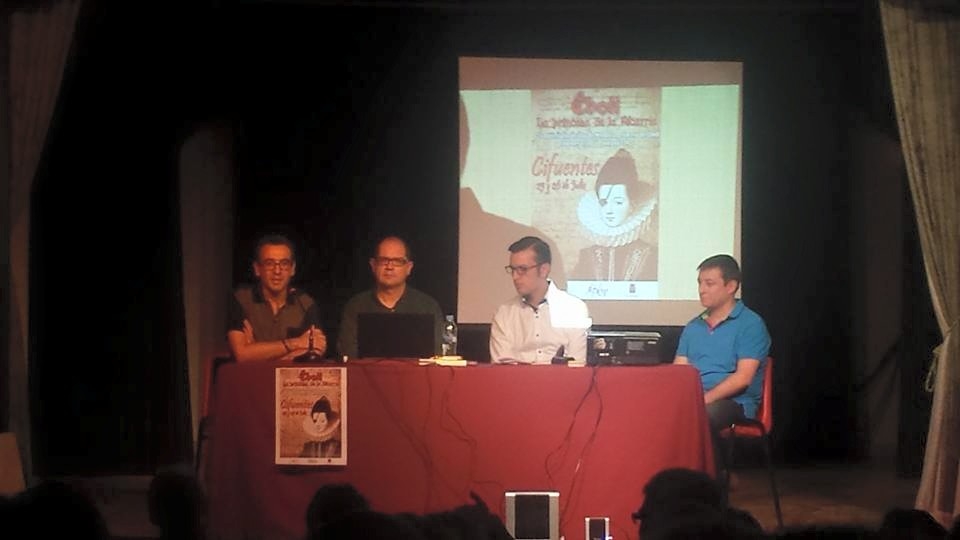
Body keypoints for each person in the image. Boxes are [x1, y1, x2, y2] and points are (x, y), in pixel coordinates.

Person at [337, 236, 444, 359]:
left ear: (409, 267)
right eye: (383, 260)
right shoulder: (356, 306)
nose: (389, 267)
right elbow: (347, 351)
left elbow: (437, 353)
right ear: (373, 265)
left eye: (397, 261)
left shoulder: (427, 306)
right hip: (367, 371)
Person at [489, 236, 591, 364]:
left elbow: (577, 364)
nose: (515, 277)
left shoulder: (574, 308)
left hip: (561, 377)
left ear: (544, 270)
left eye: (522, 269)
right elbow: (501, 366)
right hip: (516, 377)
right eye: (513, 269)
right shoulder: (504, 313)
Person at [227, 234, 326, 362]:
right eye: (269, 263)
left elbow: (316, 350)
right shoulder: (241, 299)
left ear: (292, 269)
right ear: (257, 269)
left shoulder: (306, 303)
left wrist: (257, 352)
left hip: (286, 376)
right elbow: (241, 354)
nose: (277, 271)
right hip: (249, 375)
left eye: (284, 263)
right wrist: (295, 343)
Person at [571, 148, 658, 281]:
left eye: (618, 202)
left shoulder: (650, 255)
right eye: (604, 202)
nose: (609, 210)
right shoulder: (587, 256)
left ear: (632, 205)